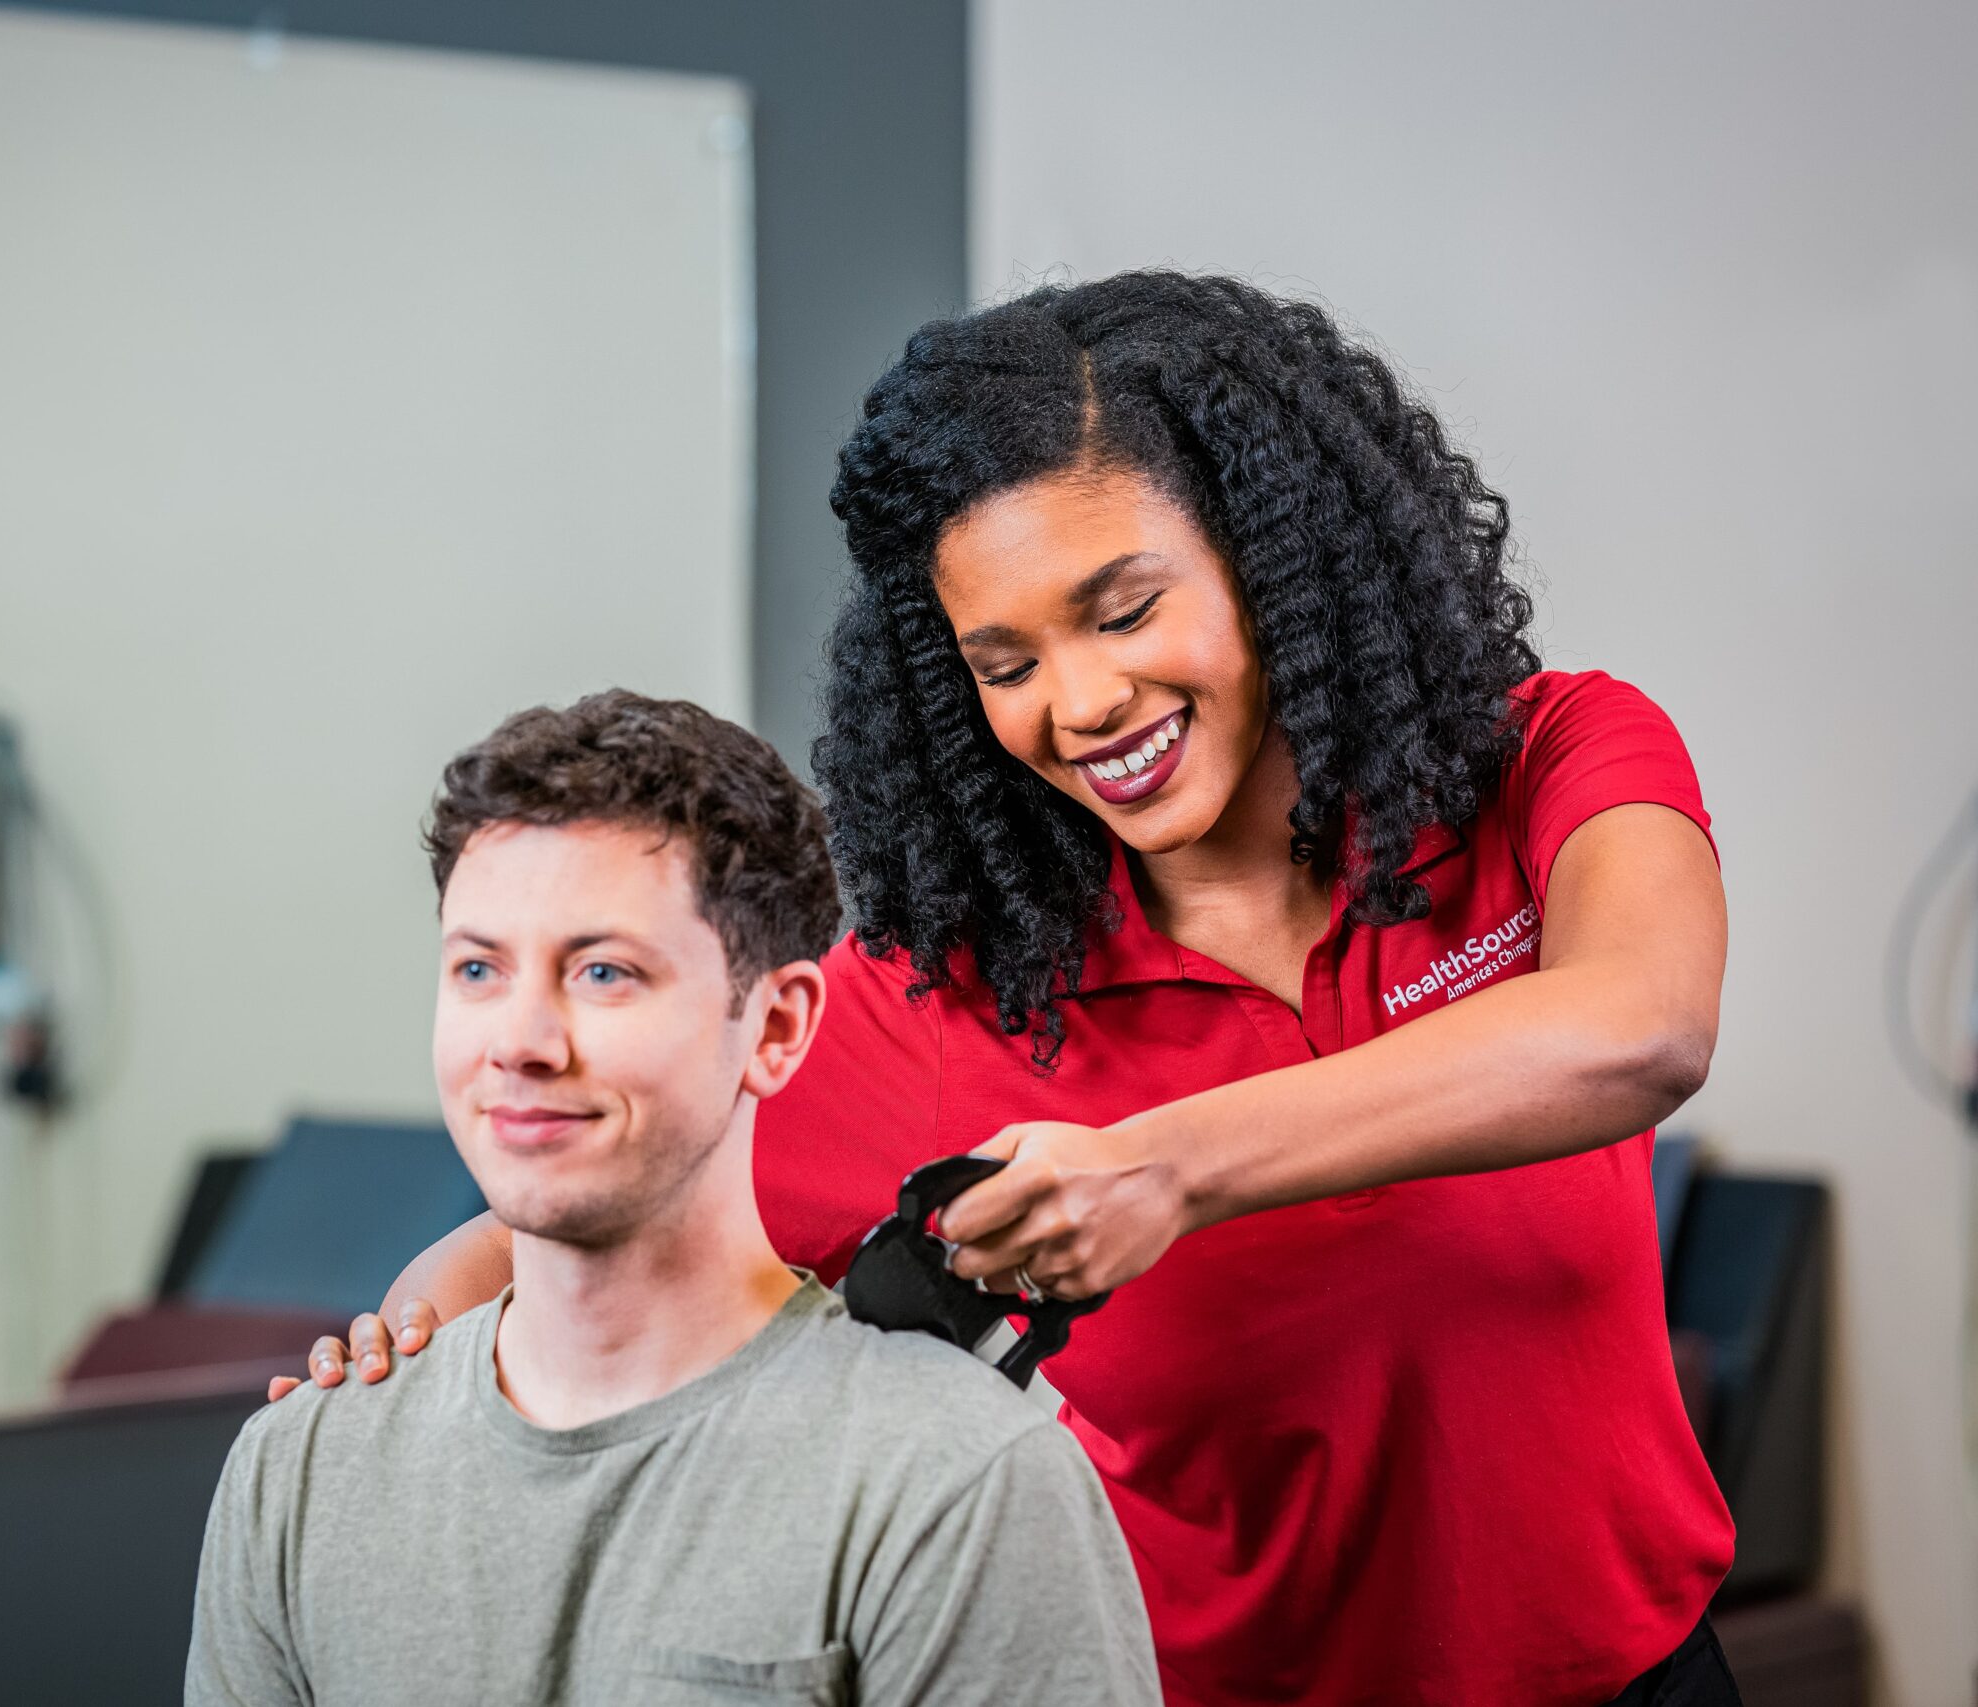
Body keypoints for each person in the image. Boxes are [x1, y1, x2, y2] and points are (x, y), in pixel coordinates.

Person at [280, 273, 1745, 1707]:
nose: (1082, 703)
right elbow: (531, 1241)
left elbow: (1640, 1024)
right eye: (1006, 660)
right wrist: (395, 1361)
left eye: (1123, 608)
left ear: (1273, 560)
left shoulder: (1553, 762)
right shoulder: (955, 994)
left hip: (1643, 1683)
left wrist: (1160, 1164)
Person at [190, 691, 1161, 1707]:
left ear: (777, 1028)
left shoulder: (958, 1484)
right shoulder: (301, 1472)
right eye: (478, 968)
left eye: (603, 972)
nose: (519, 1041)